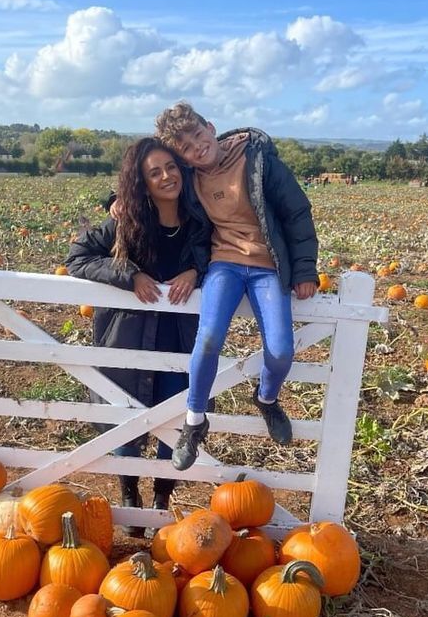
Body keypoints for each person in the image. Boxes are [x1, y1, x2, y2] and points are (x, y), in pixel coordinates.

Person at [153, 101, 319, 471]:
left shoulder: (258, 161)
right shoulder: (190, 178)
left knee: (279, 351)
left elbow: (296, 211)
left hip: (267, 266)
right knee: (208, 337)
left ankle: (266, 398)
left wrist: (305, 269)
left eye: (198, 135)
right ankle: (194, 422)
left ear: (210, 128)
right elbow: (148, 188)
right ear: (182, 156)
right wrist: (116, 202)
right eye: (185, 146)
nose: (196, 146)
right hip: (224, 265)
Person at [65, 137, 211, 531]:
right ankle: (129, 488)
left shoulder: (200, 218)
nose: (166, 176)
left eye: (171, 167)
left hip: (180, 338)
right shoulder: (125, 219)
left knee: (175, 418)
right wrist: (129, 275)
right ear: (142, 182)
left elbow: (218, 255)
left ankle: (164, 494)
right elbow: (77, 257)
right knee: (125, 413)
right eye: (154, 172)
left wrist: (196, 270)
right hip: (127, 334)